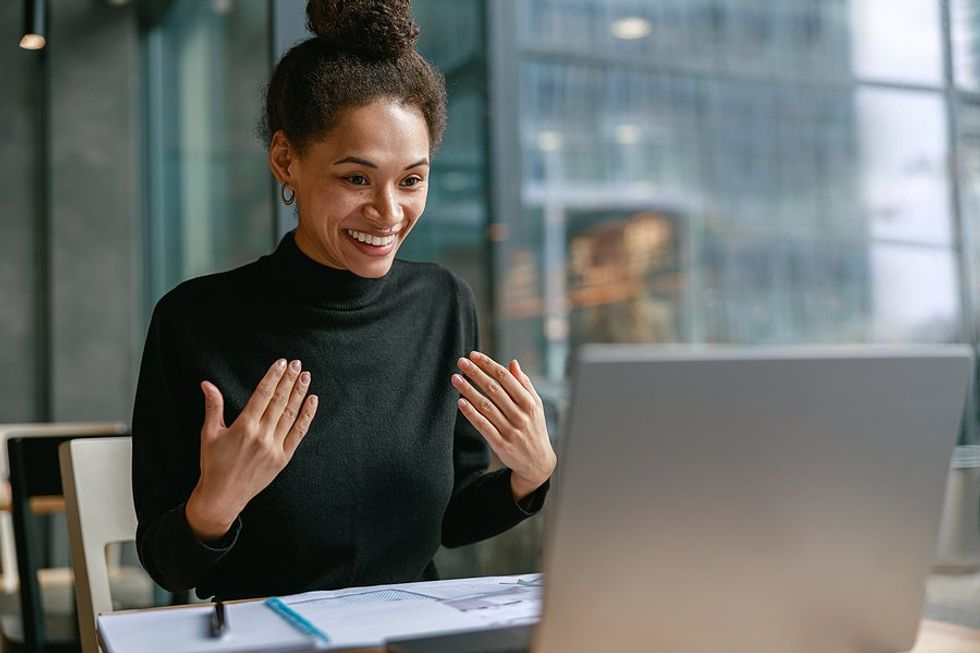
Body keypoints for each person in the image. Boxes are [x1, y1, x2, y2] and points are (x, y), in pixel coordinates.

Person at [131, 0, 556, 601]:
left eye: (411, 179)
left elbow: (453, 520)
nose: (388, 213)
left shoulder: (443, 303)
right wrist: (215, 504)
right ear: (286, 160)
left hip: (405, 631)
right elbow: (168, 563)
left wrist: (529, 476)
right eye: (357, 178)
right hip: (264, 635)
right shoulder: (194, 321)